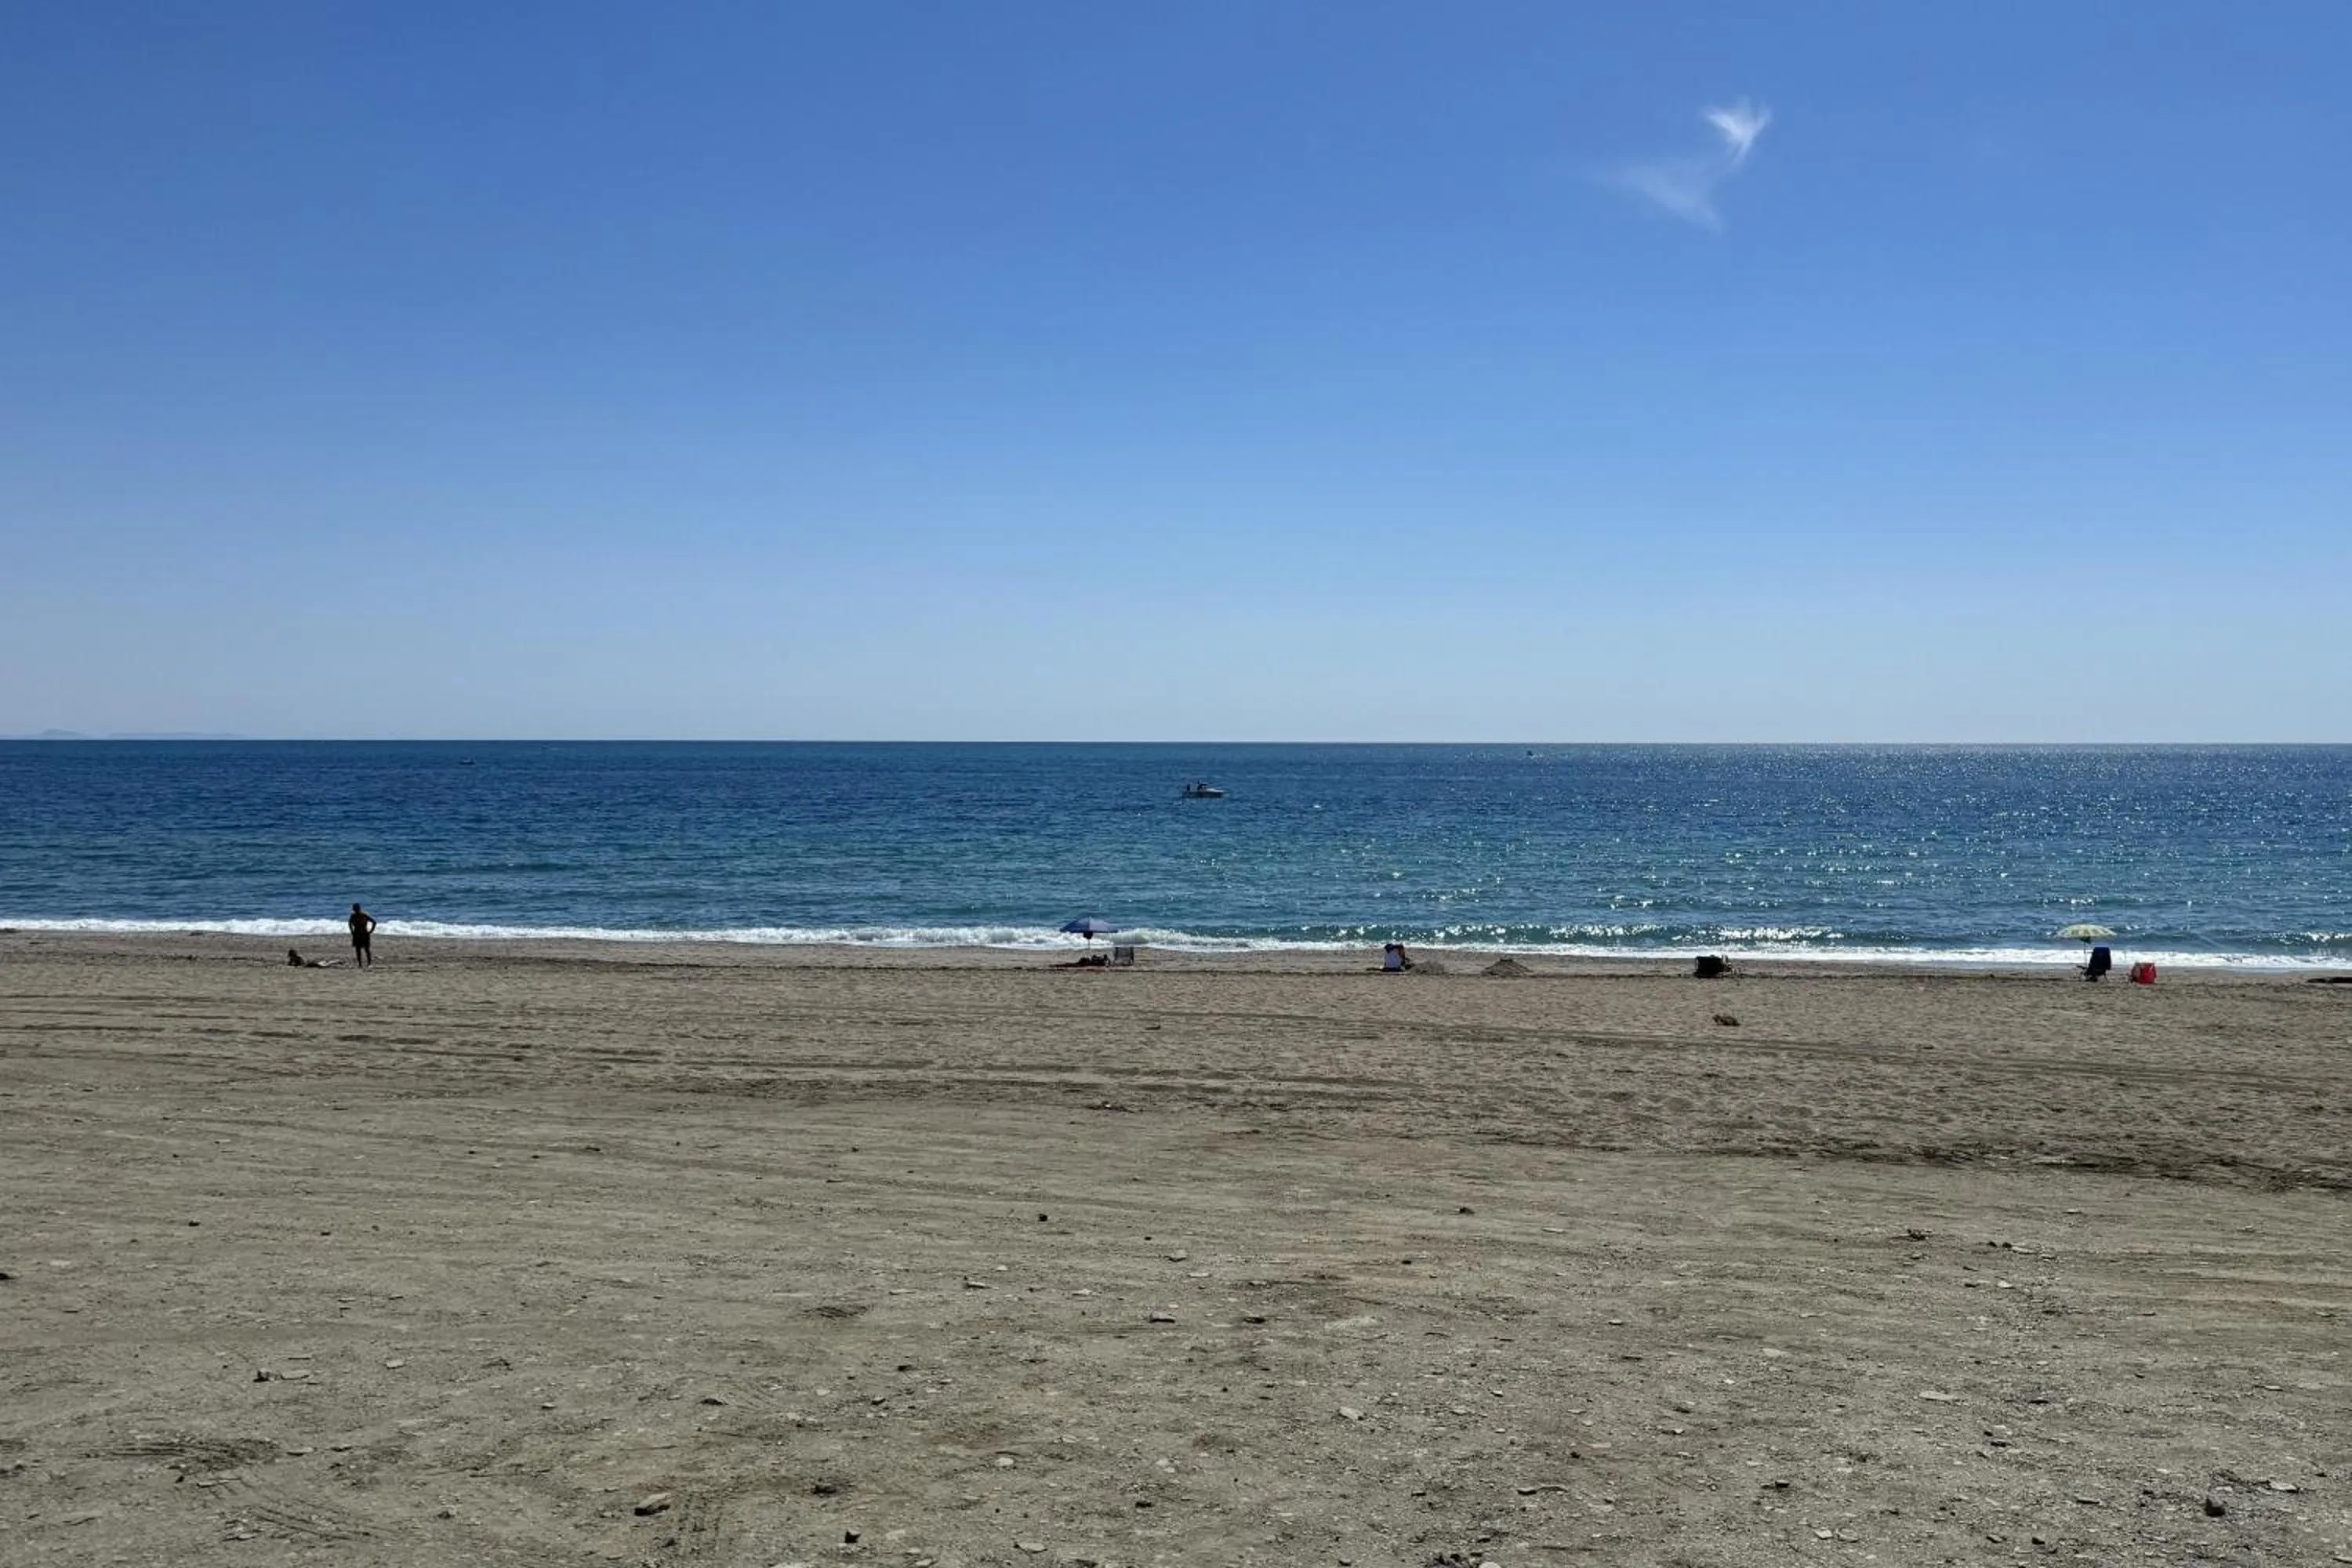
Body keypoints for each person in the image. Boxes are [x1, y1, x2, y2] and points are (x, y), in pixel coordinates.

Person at [348, 903, 377, 967]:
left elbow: (374, 922)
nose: (355, 909)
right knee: (359, 950)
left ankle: (369, 963)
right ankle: (360, 964)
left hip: (363, 934)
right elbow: (349, 924)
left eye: (355, 908)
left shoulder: (363, 915)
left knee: (366, 949)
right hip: (358, 934)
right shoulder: (353, 916)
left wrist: (371, 931)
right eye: (354, 908)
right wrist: (352, 931)